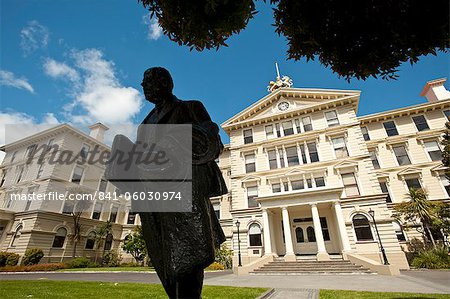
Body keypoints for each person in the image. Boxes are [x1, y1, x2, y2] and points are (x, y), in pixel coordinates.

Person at [137, 67, 227, 298]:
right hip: (153, 198)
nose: (143, 85)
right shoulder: (144, 125)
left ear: (165, 83)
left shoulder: (190, 107)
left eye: (148, 80)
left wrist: (175, 143)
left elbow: (213, 145)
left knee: (189, 258)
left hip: (185, 192)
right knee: (164, 260)